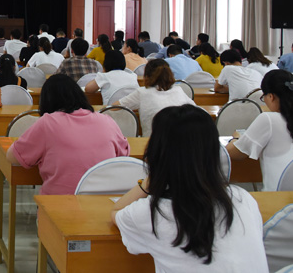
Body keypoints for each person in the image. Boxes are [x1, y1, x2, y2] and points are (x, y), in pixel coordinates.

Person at [113, 105, 267, 271]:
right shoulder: (243, 198)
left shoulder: (152, 213)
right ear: (214, 152)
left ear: (157, 152)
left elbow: (117, 211)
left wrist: (152, 180)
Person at [6, 74, 129, 194]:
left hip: (59, 203)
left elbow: (13, 157)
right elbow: (124, 154)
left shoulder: (48, 123)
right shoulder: (107, 120)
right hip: (103, 202)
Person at [227, 69, 293, 191]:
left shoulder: (268, 119)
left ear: (271, 96)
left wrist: (236, 138)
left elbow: (235, 153)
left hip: (279, 196)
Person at [115, 59, 195, 136]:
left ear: (146, 76)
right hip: (181, 140)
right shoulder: (178, 90)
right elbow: (196, 110)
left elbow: (113, 107)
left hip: (152, 142)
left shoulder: (142, 92)